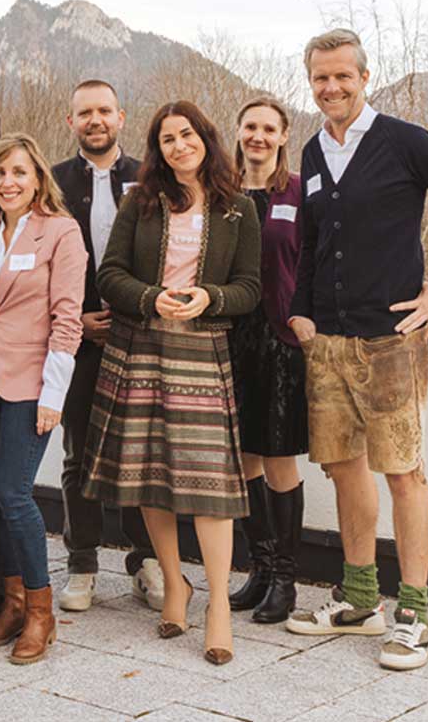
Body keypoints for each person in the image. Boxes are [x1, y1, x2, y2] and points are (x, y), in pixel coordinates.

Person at [284, 28, 428, 671]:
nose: (331, 87)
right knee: (344, 468)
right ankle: (359, 601)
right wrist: (302, 313)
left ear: (364, 76)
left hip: (392, 342)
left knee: (404, 474)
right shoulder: (314, 150)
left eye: (342, 76)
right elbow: (311, 242)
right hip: (329, 342)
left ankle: (413, 613)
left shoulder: (404, 141)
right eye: (320, 78)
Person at [81, 102, 261, 668]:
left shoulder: (239, 210)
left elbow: (251, 287)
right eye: (167, 139)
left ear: (205, 138)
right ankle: (175, 586)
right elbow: (109, 274)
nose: (179, 145)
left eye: (187, 135)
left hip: (203, 351)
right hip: (140, 347)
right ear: (156, 149)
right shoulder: (142, 202)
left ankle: (218, 609)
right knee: (150, 477)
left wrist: (213, 299)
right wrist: (146, 298)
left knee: (209, 488)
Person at [0, 134, 86, 665]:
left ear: (38, 178)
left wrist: (53, 393)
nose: (8, 182)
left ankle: (41, 610)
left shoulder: (61, 232)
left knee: (14, 492)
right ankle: (12, 603)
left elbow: (67, 317)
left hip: (32, 382)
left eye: (18, 172)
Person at [53, 78, 140, 612]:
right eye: (85, 112)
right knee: (78, 452)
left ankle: (146, 559)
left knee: (141, 452)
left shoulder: (149, 178)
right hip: (78, 335)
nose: (95, 120)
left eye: (104, 110)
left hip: (140, 336)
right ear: (72, 122)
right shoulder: (55, 181)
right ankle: (82, 562)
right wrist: (75, 319)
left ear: (121, 117)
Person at [228, 96, 308, 625]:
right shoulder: (222, 193)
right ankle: (258, 568)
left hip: (280, 340)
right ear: (239, 132)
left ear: (283, 136)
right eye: (250, 126)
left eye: (268, 128)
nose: (258, 135)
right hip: (229, 338)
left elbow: (316, 259)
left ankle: (286, 577)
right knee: (243, 460)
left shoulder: (299, 193)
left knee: (279, 460)